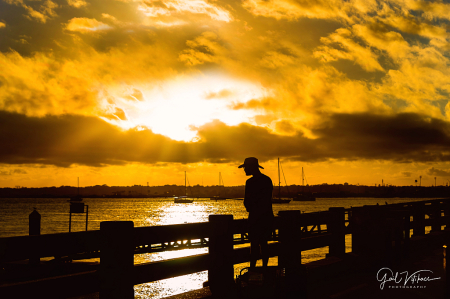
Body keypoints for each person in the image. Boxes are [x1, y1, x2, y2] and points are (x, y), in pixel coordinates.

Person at [238, 157, 274, 268]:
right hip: (267, 217)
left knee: (254, 245)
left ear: (251, 167)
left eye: (246, 167)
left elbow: (246, 202)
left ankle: (252, 269)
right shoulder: (267, 180)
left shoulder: (250, 182)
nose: (244, 170)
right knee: (264, 244)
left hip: (254, 218)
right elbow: (267, 200)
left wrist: (252, 209)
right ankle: (265, 268)